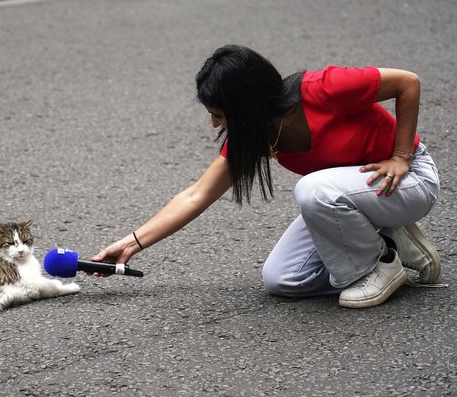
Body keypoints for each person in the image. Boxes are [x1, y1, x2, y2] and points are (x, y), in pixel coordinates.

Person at [92, 44, 441, 309]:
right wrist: (131, 244)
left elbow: (407, 82)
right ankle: (386, 239)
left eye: (219, 114)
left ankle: (380, 264)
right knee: (283, 279)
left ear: (248, 105)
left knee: (312, 189)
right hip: (352, 197)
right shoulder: (255, 136)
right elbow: (196, 195)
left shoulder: (323, 89)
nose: (215, 124)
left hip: (408, 179)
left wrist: (401, 155)